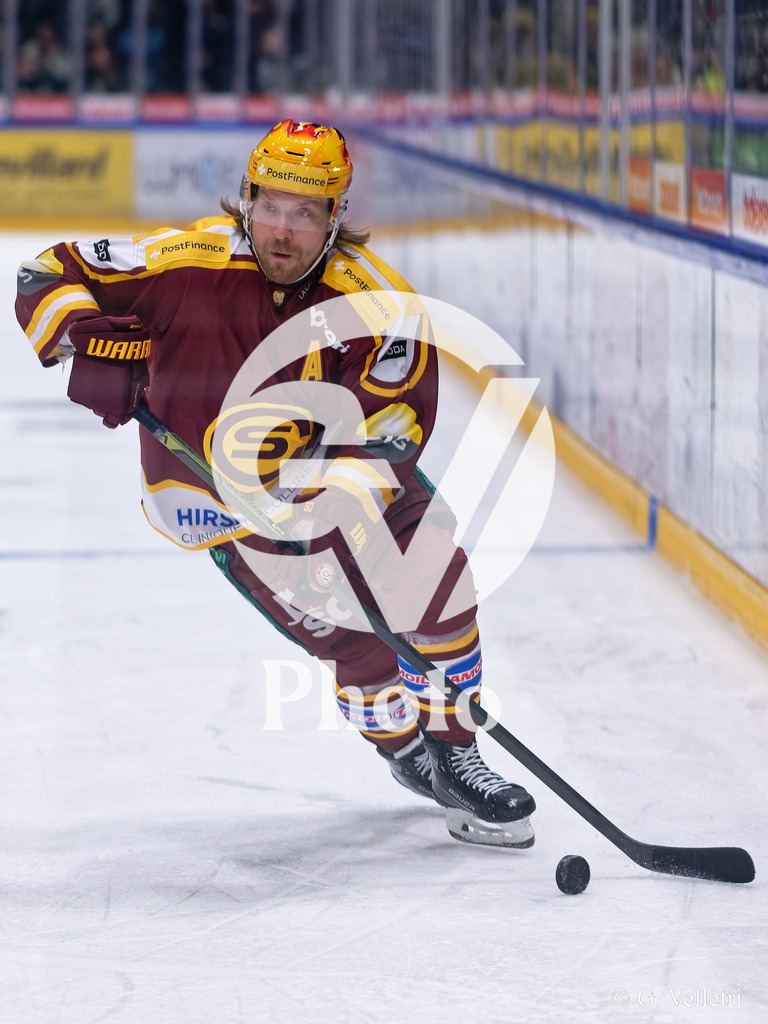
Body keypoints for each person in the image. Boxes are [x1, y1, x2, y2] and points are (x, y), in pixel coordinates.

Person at [15, 119, 536, 848]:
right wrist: (83, 336)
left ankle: (457, 753)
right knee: (358, 649)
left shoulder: (375, 302)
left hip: (351, 487)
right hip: (224, 510)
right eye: (269, 207)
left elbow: (393, 426)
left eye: (304, 212)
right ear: (246, 199)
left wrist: (332, 509)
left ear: (335, 218)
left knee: (436, 583)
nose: (281, 230)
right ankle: (405, 751)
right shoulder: (185, 264)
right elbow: (47, 273)